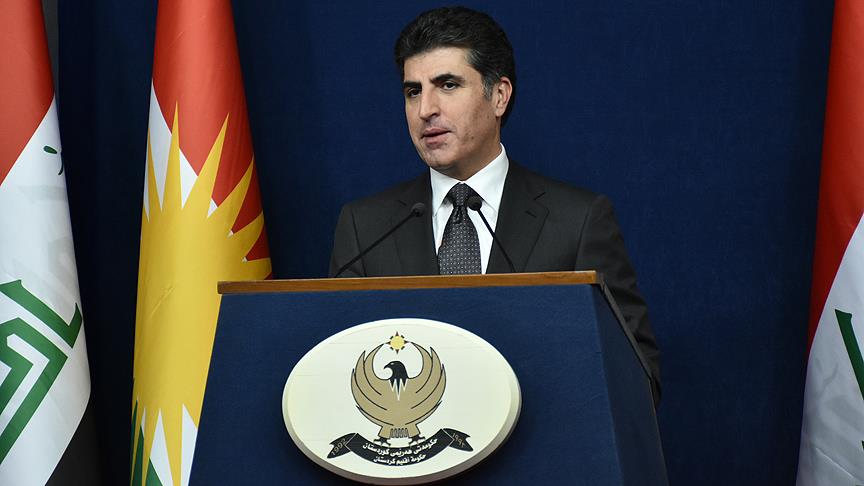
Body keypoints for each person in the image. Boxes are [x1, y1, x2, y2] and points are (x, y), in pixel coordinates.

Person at [328, 6, 661, 399]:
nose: (425, 109)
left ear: (499, 96)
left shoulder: (578, 221)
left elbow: (636, 378)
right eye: (413, 91)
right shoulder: (365, 228)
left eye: (447, 85)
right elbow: (340, 372)